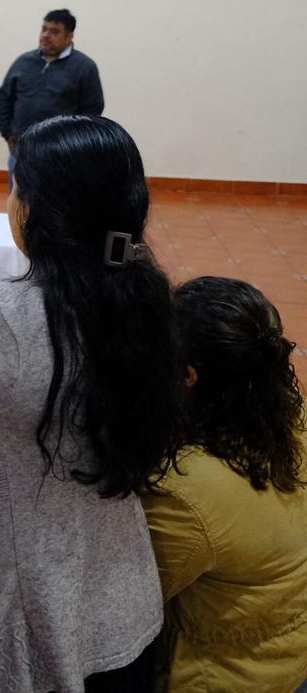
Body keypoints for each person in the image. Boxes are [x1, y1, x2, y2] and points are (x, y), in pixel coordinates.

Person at [0, 115, 183, 692]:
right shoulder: (144, 299)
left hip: (18, 620)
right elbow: (41, 367)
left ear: (38, 211)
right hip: (115, 598)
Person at [142, 277, 307, 692]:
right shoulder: (292, 416)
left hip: (222, 676)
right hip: (287, 657)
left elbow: (130, 598)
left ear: (188, 377)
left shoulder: (187, 494)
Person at [0, 9, 104, 180]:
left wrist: (73, 144)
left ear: (69, 36)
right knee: (18, 196)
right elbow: (5, 98)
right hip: (21, 150)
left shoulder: (85, 67)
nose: (46, 35)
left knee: (55, 196)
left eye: (54, 31)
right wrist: (6, 132)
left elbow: (92, 111)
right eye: (44, 29)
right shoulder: (23, 62)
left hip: (61, 155)